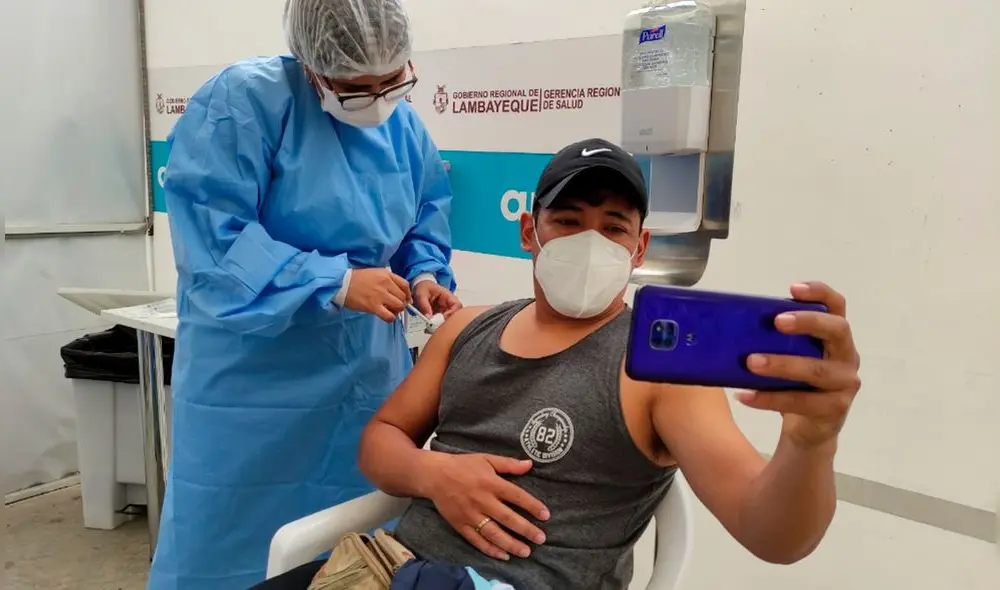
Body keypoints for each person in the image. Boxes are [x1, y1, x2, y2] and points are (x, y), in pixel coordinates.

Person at [353, 139, 863, 589]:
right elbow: (381, 439)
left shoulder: (660, 374)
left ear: (639, 248)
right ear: (529, 231)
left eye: (613, 227)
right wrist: (433, 473)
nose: (590, 242)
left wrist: (810, 441)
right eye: (568, 221)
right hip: (388, 570)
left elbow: (772, 535)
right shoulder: (467, 328)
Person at [148, 0, 461, 588]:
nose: (376, 99)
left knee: (352, 545)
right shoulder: (244, 104)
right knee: (232, 546)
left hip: (362, 378)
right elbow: (215, 242)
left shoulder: (402, 127)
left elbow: (425, 215)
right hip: (251, 383)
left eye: (391, 81)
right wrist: (332, 281)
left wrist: (425, 276)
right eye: (355, 87)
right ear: (314, 65)